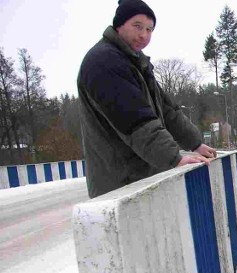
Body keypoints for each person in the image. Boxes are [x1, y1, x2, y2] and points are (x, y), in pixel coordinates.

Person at [77, 0, 217, 198]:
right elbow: (135, 121)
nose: (144, 35)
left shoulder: (136, 63)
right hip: (120, 185)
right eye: (137, 26)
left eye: (149, 29)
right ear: (119, 25)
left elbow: (167, 110)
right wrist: (173, 158)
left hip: (141, 177)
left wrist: (196, 144)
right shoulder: (104, 62)